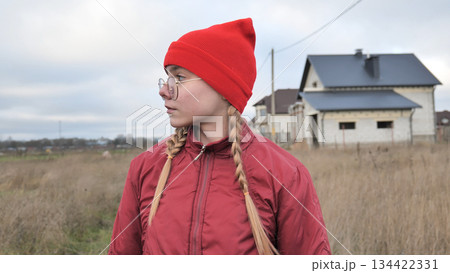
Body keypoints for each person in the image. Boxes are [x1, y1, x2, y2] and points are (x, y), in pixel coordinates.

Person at [108, 18, 331, 255]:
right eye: (167, 78)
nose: (163, 90)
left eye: (180, 78)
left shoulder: (286, 175)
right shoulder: (145, 168)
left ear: (223, 88)